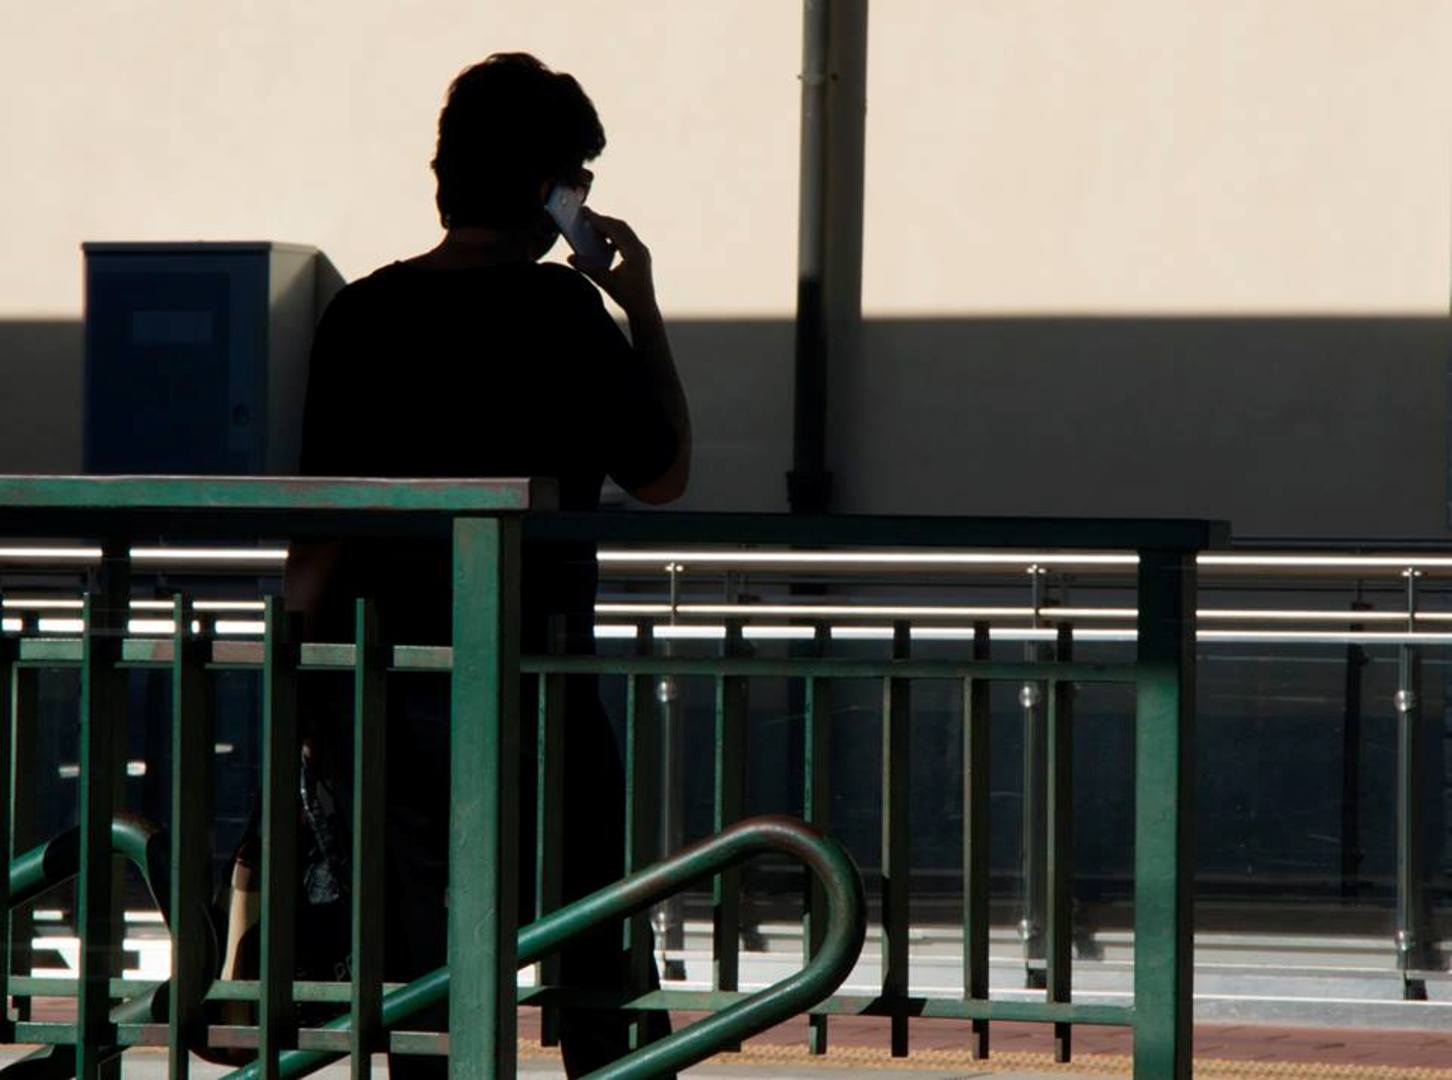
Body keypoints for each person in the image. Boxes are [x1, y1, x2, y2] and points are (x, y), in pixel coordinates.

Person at [290, 52, 690, 1078]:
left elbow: (320, 539)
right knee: (583, 935)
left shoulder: (362, 317)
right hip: (534, 683)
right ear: (550, 190)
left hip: (388, 688)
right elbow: (663, 474)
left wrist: (296, 682)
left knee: (424, 975)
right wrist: (636, 297)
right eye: (579, 182)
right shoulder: (564, 318)